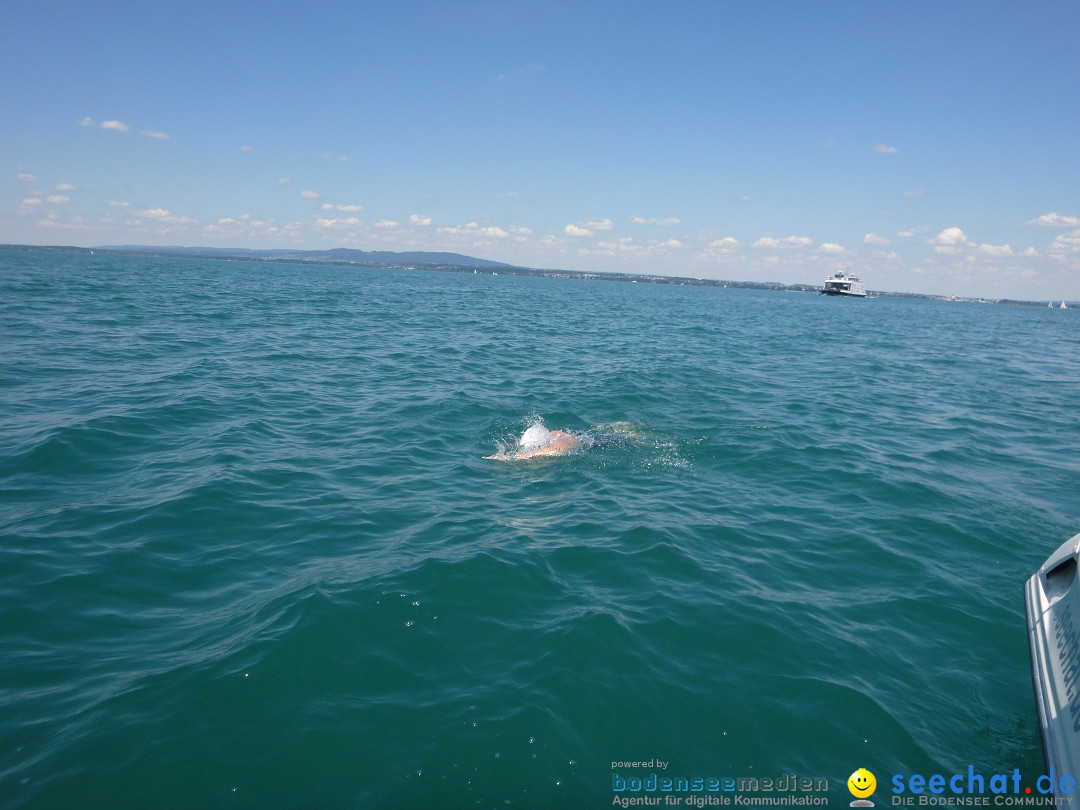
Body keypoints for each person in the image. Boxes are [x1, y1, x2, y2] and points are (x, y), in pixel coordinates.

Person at [484, 423, 580, 461]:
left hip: (592, 446)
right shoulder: (552, 434)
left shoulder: (557, 446)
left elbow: (537, 453)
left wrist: (510, 457)